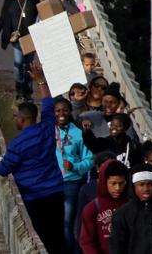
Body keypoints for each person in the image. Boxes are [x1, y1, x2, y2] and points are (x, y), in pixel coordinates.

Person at [0, 61, 64, 253]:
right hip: (55, 191)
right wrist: (40, 81)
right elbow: (47, 103)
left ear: (22, 119)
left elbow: (4, 170)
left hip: (34, 197)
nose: (14, 120)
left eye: (15, 117)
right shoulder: (46, 128)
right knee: (58, 236)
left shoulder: (17, 145)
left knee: (42, 238)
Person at [0, 0, 40, 100]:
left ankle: (28, 93)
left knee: (28, 66)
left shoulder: (34, 1)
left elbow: (43, 16)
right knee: (18, 64)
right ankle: (20, 90)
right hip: (17, 40)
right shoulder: (9, 1)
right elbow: (2, 19)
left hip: (30, 39)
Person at [53, 97, 94, 252]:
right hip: (50, 183)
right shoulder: (47, 132)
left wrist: (74, 166)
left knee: (66, 224)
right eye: (58, 110)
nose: (61, 113)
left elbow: (89, 160)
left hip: (71, 183)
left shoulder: (78, 133)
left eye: (65, 110)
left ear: (70, 112)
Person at [78, 160, 129, 254]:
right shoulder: (92, 208)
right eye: (113, 183)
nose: (117, 188)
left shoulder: (130, 205)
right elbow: (87, 241)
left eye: (121, 183)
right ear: (104, 182)